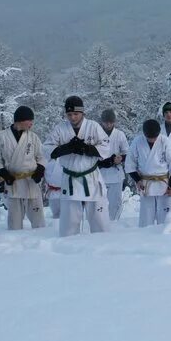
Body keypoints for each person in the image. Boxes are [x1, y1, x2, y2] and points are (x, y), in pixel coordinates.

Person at [44, 96, 110, 237]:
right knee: (69, 223)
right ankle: (69, 251)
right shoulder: (60, 129)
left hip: (91, 178)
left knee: (100, 222)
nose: (72, 117)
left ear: (82, 113)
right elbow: (47, 149)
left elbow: (106, 147)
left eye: (76, 114)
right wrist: (67, 148)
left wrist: (86, 149)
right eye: (69, 114)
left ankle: (102, 248)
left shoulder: (93, 126)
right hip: (70, 179)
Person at [0, 106, 46, 230]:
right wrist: (4, 174)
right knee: (14, 221)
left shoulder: (33, 137)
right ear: (20, 120)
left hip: (31, 181)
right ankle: (14, 244)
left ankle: (41, 243)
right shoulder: (2, 137)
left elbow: (41, 156)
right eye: (30, 120)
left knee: (38, 221)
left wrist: (40, 170)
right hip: (13, 182)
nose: (32, 123)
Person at [126, 119, 171, 227]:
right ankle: (145, 239)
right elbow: (130, 164)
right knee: (146, 217)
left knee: (166, 218)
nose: (152, 140)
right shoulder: (137, 142)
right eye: (149, 137)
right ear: (144, 134)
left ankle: (167, 238)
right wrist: (137, 179)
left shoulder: (165, 141)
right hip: (146, 184)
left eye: (154, 137)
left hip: (164, 184)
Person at [98, 109, 129, 221]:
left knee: (115, 202)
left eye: (111, 122)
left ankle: (114, 222)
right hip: (100, 173)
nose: (108, 124)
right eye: (106, 122)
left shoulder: (119, 135)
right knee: (99, 202)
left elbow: (126, 152)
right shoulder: (96, 134)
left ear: (114, 122)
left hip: (116, 173)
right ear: (102, 122)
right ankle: (100, 221)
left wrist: (120, 158)